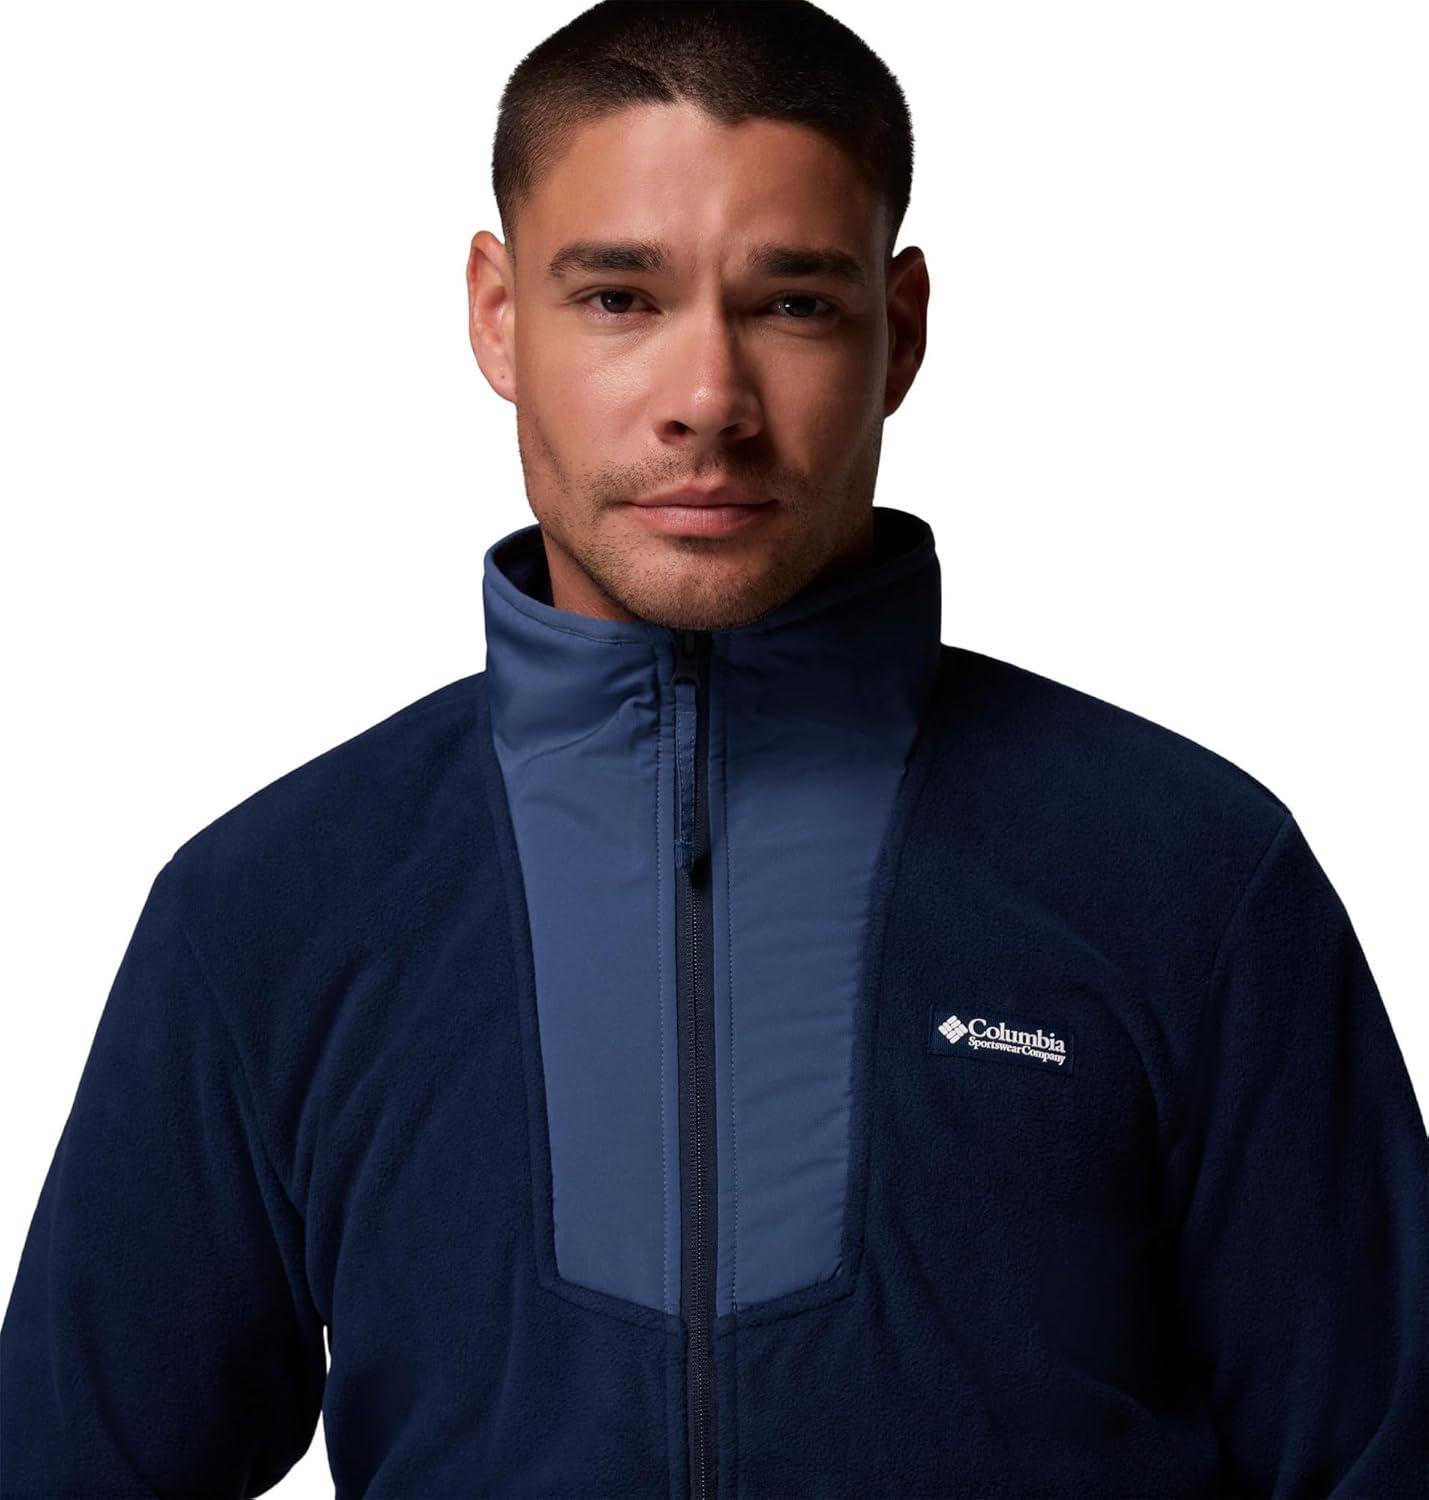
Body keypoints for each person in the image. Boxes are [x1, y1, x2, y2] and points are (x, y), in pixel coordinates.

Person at [3, 2, 1426, 1496]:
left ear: (901, 329)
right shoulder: (275, 903)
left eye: (793, 303)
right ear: (497, 315)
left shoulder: (1184, 872)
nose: (707, 403)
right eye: (618, 298)